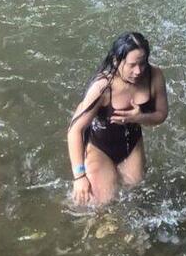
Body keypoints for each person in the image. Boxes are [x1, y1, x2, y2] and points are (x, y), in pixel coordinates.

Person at [67, 31, 168, 205]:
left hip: (132, 145)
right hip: (101, 148)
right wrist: (79, 176)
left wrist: (140, 117)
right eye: (132, 65)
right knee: (102, 204)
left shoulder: (155, 76)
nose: (138, 71)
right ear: (116, 61)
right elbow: (74, 131)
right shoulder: (103, 87)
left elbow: (161, 115)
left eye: (142, 63)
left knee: (137, 192)